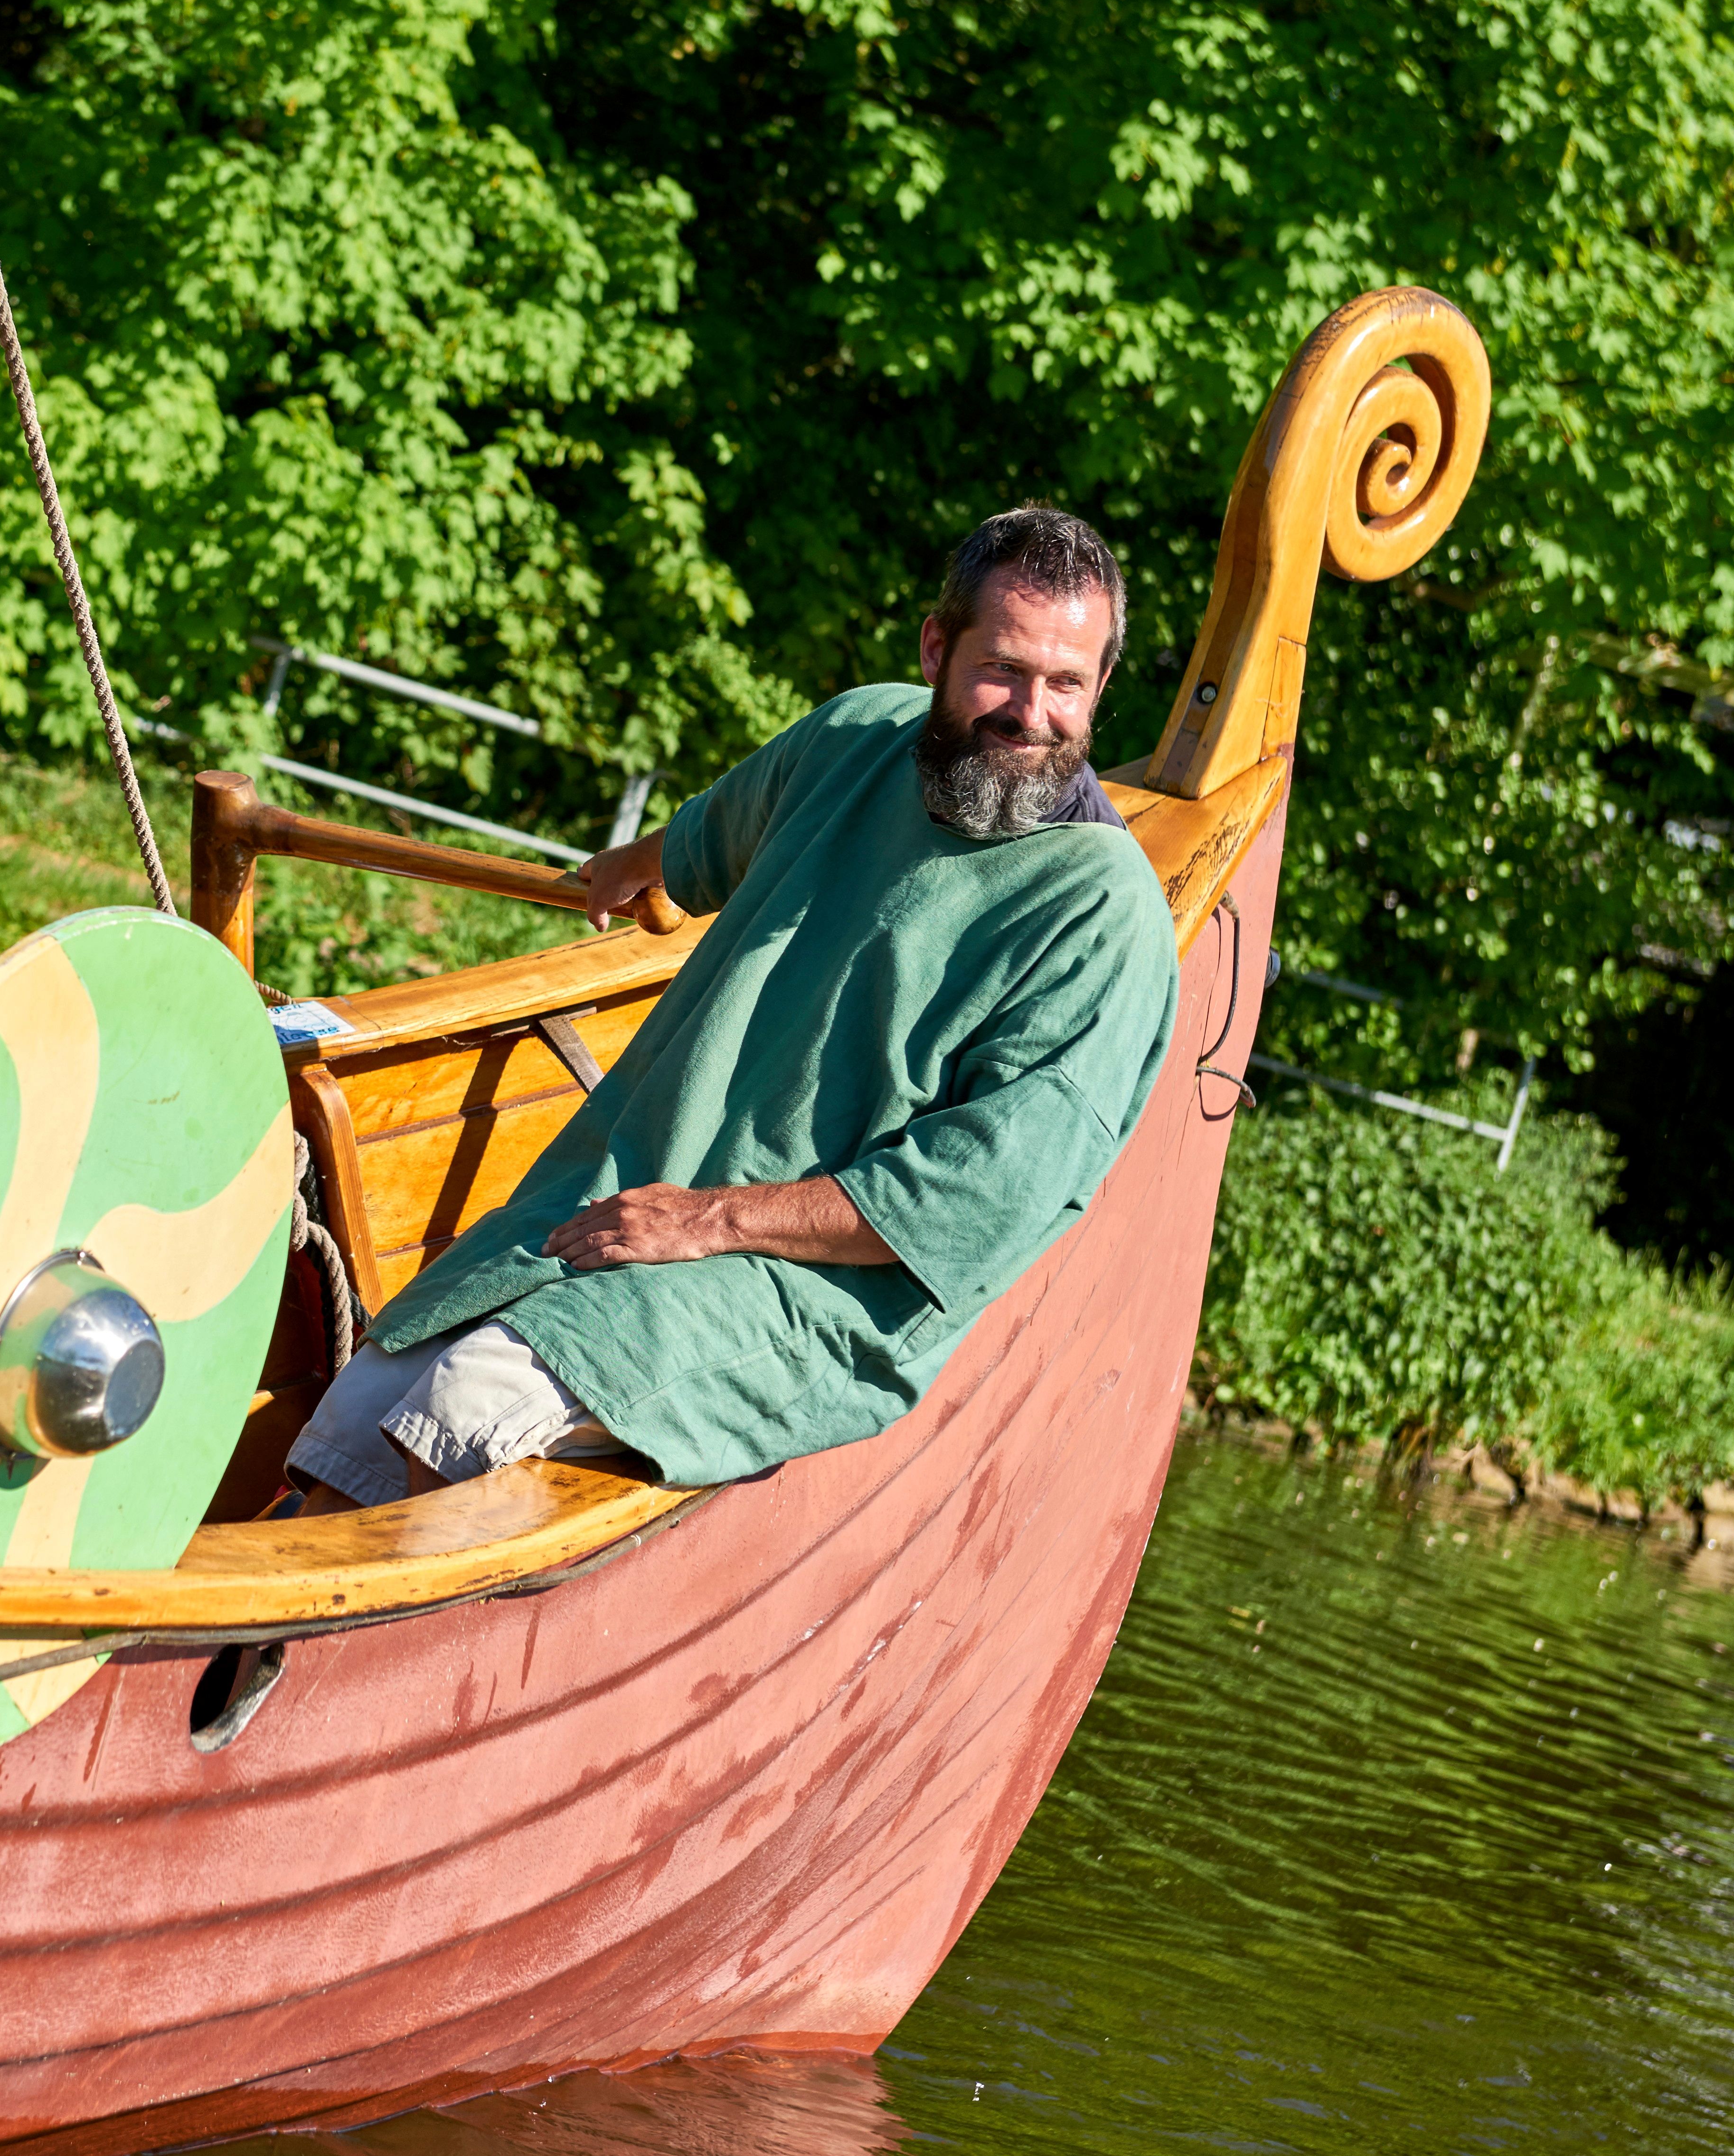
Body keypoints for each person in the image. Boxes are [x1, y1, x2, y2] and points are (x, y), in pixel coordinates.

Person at [287, 505, 1181, 1510]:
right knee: (358, 1409)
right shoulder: (855, 738)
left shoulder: (1103, 917)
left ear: (1101, 687)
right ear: (937, 647)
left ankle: (390, 1656)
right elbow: (692, 849)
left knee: (467, 1402)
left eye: (1067, 684)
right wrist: (627, 870)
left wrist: (708, 1221)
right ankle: (244, 1657)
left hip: (819, 1296)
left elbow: (970, 1203)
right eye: (1002, 670)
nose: (1031, 713)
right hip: (623, 1201)